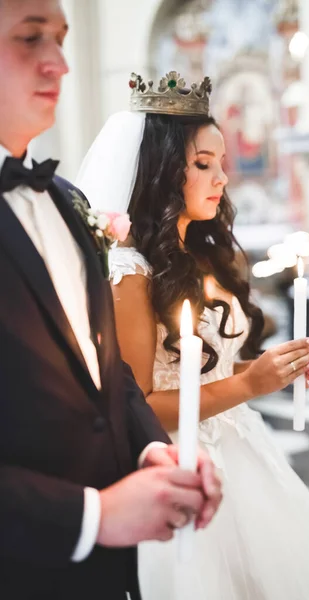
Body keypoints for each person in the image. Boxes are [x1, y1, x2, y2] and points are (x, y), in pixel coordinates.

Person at [77, 71, 309, 599]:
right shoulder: (130, 270)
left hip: (239, 446)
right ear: (164, 172)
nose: (220, 178)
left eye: (221, 164)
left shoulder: (198, 251)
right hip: (178, 456)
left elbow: (204, 367)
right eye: (202, 164)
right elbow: (141, 402)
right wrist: (248, 385)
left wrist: (267, 370)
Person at [0, 5, 222, 600]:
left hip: (104, 574)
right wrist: (92, 516)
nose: (59, 64)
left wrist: (150, 447)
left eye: (61, 39)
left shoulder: (71, 204)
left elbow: (107, 368)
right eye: (29, 39)